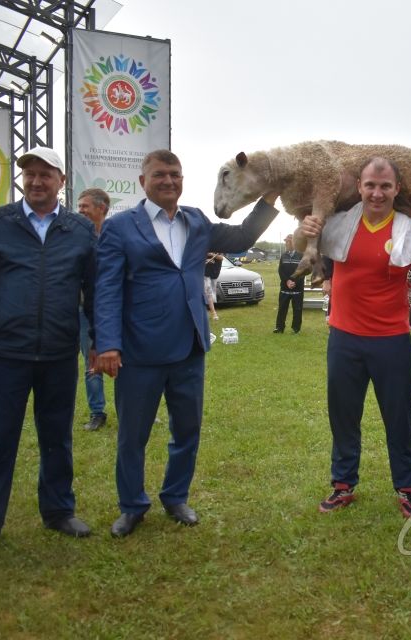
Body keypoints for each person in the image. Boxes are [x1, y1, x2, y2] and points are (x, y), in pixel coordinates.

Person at [94, 149, 279, 537]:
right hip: (139, 350)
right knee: (133, 436)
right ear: (143, 182)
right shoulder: (120, 228)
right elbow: (106, 289)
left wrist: (270, 196)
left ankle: (175, 497)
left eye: (175, 175)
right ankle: (132, 505)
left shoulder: (196, 220)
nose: (168, 181)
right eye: (159, 175)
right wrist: (108, 344)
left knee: (187, 430)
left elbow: (243, 236)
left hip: (189, 347)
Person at [0, 146, 97, 560]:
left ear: (61, 182)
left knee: (57, 439)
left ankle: (58, 511)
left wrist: (98, 342)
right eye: (29, 174)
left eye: (45, 174)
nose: (36, 181)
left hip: (58, 353)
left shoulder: (80, 230)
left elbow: (95, 293)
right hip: (7, 353)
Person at [299, 157, 411, 518]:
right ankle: (343, 484)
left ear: (397, 189)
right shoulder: (338, 225)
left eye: (384, 186)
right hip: (345, 339)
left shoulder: (410, 229)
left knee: (398, 417)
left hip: (391, 340)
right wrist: (306, 228)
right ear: (359, 187)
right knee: (344, 416)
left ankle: (408, 488)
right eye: (370, 185)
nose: (377, 193)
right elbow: (299, 243)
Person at [77, 188, 110, 431]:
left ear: (102, 209)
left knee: (128, 361)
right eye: (79, 207)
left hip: (117, 310)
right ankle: (97, 412)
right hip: (86, 312)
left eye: (85, 206)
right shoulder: (75, 238)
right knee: (92, 361)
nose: (80, 211)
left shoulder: (116, 236)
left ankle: (135, 408)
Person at [274, 234, 304, 333]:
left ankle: (296, 328)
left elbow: (303, 271)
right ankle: (279, 327)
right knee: (282, 309)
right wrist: (287, 281)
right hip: (284, 287)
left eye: (289, 241)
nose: (287, 243)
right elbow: (280, 271)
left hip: (297, 288)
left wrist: (294, 281)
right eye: (286, 241)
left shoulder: (301, 255)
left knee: (297, 309)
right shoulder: (283, 255)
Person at [204, 252, 223, 321]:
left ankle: (212, 312)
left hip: (214, 273)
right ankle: (213, 313)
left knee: (211, 292)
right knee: (207, 291)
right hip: (204, 273)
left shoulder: (219, 247)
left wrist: (212, 255)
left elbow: (221, 257)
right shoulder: (205, 245)